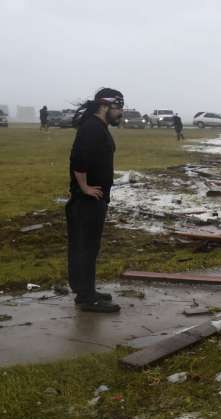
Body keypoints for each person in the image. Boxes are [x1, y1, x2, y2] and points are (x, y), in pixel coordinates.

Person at [66, 87, 125, 312]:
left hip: (95, 199)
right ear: (105, 106)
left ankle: (86, 291)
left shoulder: (98, 126)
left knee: (88, 247)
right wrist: (84, 187)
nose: (121, 113)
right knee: (85, 248)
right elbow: (78, 158)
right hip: (87, 201)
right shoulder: (92, 127)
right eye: (118, 108)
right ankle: (86, 298)